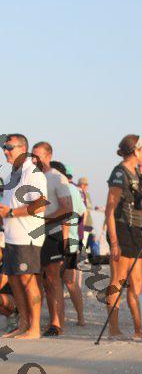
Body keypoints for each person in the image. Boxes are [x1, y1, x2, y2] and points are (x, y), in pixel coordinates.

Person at [0, 134, 47, 339]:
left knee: (28, 282)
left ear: (23, 149)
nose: (5, 151)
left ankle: (34, 328)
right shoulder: (12, 175)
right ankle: (23, 324)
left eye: (9, 147)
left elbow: (40, 204)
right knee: (14, 281)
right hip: (11, 237)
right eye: (4, 147)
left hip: (27, 237)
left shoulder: (33, 173)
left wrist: (11, 212)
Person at [105, 135, 142, 339]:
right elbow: (109, 210)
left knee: (136, 281)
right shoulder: (119, 173)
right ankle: (113, 329)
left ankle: (139, 329)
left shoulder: (137, 172)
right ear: (135, 151)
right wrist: (114, 243)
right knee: (118, 280)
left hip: (136, 230)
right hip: (121, 229)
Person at [32, 142, 73, 336]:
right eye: (32, 155)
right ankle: (33, 323)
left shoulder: (57, 177)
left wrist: (43, 221)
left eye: (38, 155)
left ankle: (56, 324)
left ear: (49, 156)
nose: (34, 159)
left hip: (51, 233)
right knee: (34, 279)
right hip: (30, 235)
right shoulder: (30, 177)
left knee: (52, 280)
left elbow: (67, 209)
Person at [50, 161, 86, 326]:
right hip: (72, 242)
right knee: (71, 282)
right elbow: (82, 213)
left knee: (54, 283)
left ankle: (59, 320)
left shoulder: (58, 189)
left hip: (58, 241)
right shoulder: (75, 190)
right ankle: (81, 318)